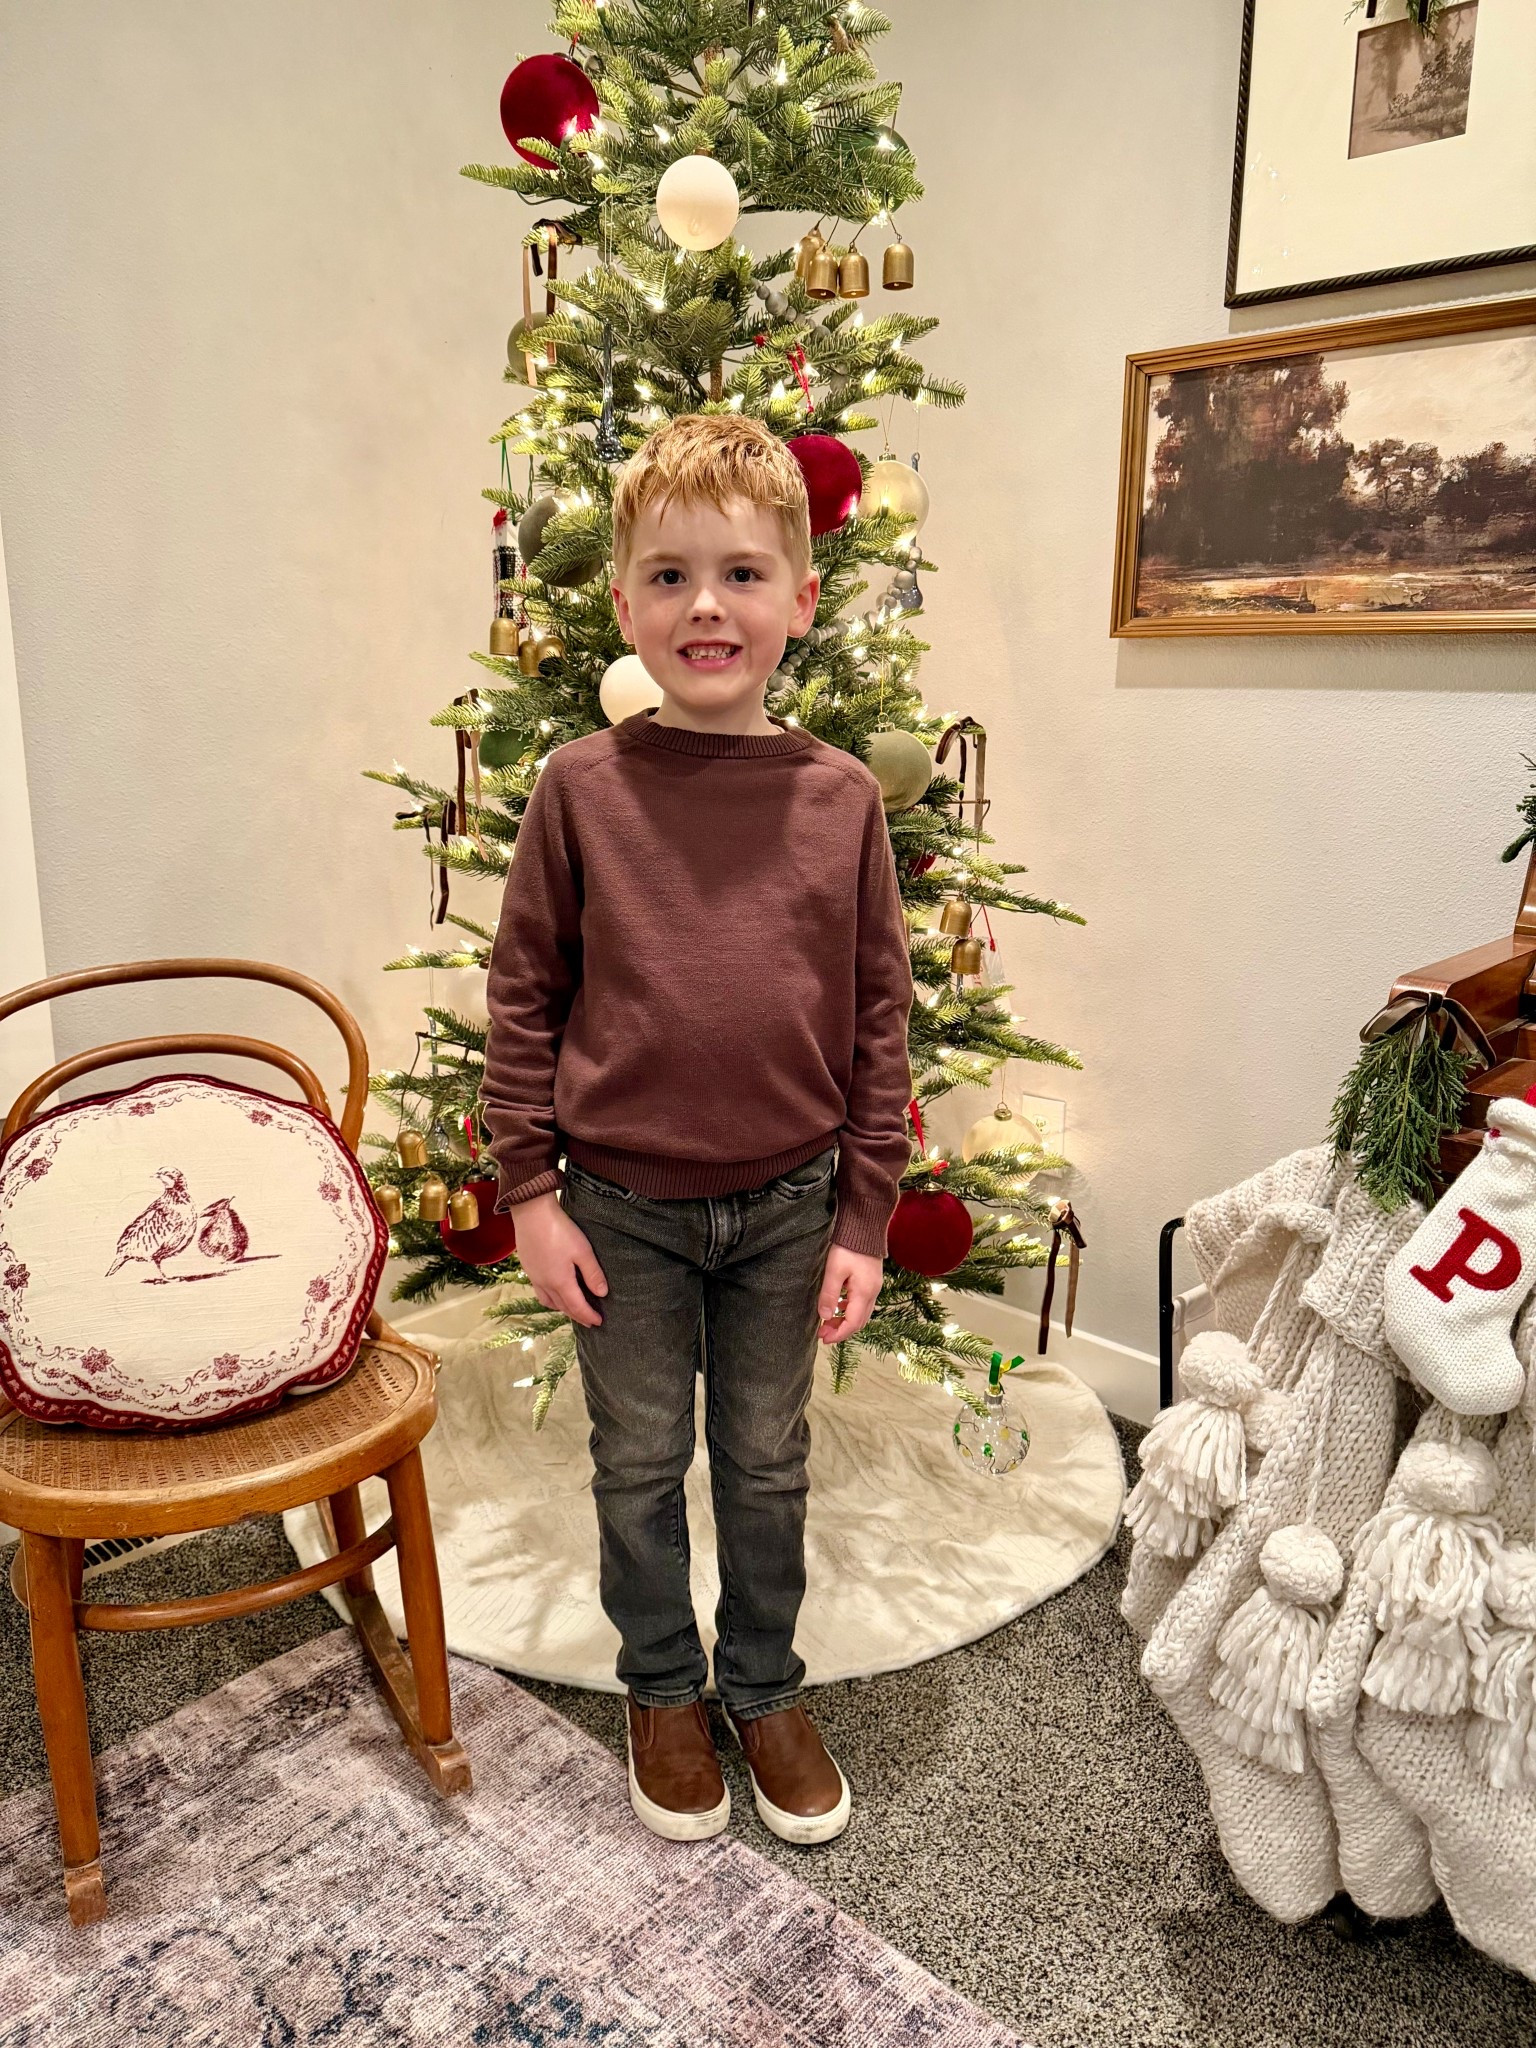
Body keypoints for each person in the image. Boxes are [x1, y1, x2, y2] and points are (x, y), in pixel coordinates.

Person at [480, 413, 915, 1846]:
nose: (705, 606)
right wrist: (530, 1197)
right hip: (619, 1211)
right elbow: (526, 996)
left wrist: (864, 1216)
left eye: (740, 574)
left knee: (769, 1459)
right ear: (622, 605)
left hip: (793, 1207)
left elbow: (876, 1021)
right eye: (667, 577)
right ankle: (663, 1686)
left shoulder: (841, 800)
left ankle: (763, 1685)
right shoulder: (577, 791)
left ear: (801, 597)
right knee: (634, 1460)